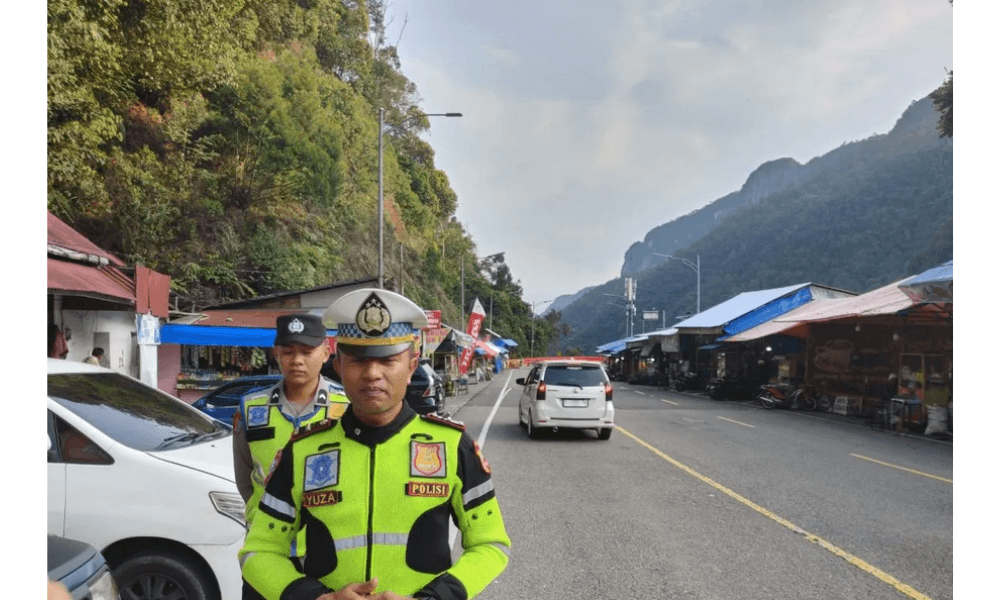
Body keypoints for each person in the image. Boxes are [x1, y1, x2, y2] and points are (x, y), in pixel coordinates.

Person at [239, 289, 511, 600]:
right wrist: (316, 598)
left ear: (411, 365)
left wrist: (436, 598)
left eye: (387, 360)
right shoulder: (302, 451)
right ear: (339, 366)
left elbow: (491, 544)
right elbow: (259, 550)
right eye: (358, 360)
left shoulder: (451, 446)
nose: (372, 374)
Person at [234, 313, 350, 600]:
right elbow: (245, 478)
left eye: (307, 352)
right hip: (268, 550)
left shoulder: (346, 408)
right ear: (277, 354)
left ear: (326, 352)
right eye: (288, 352)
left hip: (326, 551)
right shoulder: (251, 409)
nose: (297, 360)